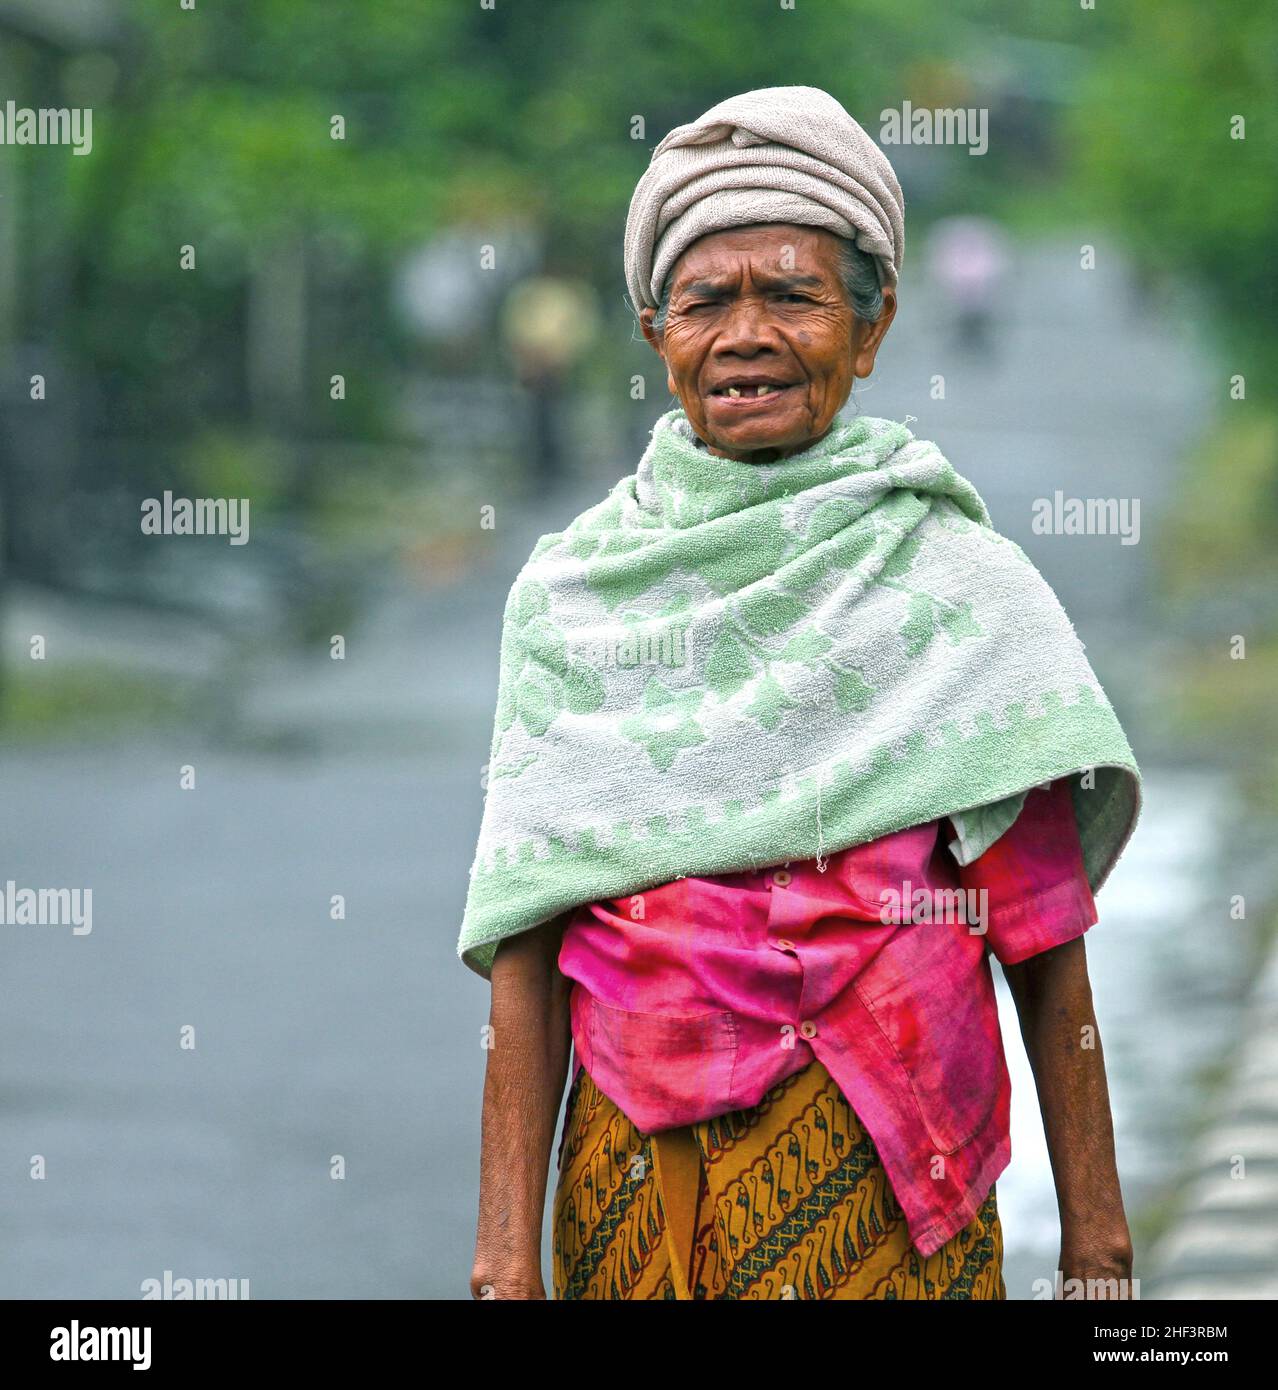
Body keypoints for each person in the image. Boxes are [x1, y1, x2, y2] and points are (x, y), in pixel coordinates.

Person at [461, 86, 1141, 1301]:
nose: (746, 334)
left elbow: (1044, 938)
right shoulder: (571, 601)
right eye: (706, 300)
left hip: (898, 1193)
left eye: (793, 294)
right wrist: (506, 1261)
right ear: (655, 333)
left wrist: (1098, 1255)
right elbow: (529, 942)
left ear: (871, 332)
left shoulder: (961, 587)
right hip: (634, 1194)